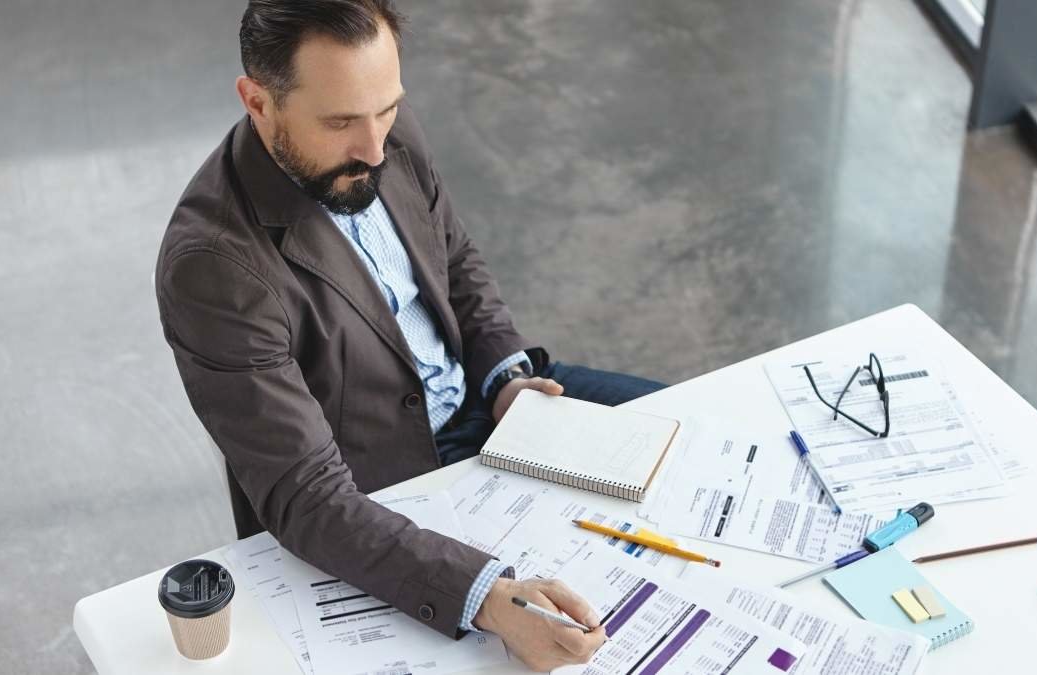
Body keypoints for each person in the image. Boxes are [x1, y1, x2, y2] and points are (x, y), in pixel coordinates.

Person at [154, 1, 664, 670]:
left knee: (688, 435)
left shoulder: (379, 119)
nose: (373, 148)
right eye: (339, 122)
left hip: (486, 404)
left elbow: (454, 260)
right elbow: (307, 495)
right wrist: (485, 596)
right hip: (378, 488)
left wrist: (504, 378)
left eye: (386, 111)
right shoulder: (212, 265)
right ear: (258, 101)